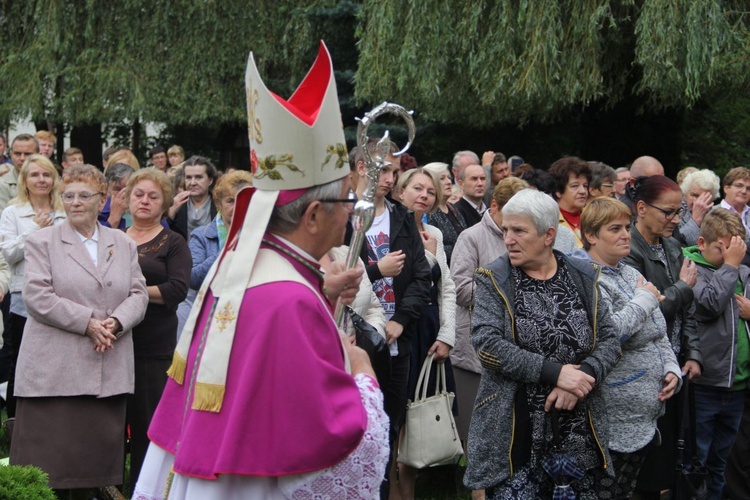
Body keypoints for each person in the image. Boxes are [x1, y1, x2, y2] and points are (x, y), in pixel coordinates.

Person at [134, 42, 389, 498]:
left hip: (219, 466)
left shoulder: (246, 266)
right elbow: (331, 431)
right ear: (312, 216)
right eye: (346, 201)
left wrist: (326, 295)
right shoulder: (287, 298)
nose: (352, 212)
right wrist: (363, 371)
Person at [464, 189, 621, 498]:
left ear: (549, 234)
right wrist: (555, 373)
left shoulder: (582, 276)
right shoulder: (493, 278)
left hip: (579, 430)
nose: (508, 239)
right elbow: (487, 345)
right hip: (516, 432)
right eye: (506, 230)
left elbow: (610, 339)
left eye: (519, 231)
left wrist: (582, 376)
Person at [9, 164, 148, 497]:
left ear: (102, 199)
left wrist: (115, 322)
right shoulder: (42, 241)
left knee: (93, 468)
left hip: (106, 364)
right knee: (48, 470)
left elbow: (138, 293)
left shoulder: (122, 242)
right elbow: (37, 296)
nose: (74, 202)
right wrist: (87, 323)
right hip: (54, 369)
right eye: (68, 195)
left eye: (84, 195)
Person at [575, 197, 682, 498]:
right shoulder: (585, 277)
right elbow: (611, 332)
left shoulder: (631, 273)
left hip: (646, 416)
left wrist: (672, 368)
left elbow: (659, 332)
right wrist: (646, 299)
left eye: (626, 226)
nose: (625, 234)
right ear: (592, 235)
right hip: (613, 416)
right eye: (615, 229)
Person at [351, 137, 431, 497]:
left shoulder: (400, 216)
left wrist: (400, 319)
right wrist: (375, 269)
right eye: (384, 169)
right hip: (355, 342)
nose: (390, 178)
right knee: (354, 429)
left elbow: (421, 277)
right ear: (362, 167)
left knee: (389, 426)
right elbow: (332, 277)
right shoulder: (344, 214)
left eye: (394, 171)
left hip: (398, 342)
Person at [621, 175, 702, 498]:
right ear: (641, 208)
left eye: (679, 211)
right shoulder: (628, 250)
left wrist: (693, 352)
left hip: (677, 360)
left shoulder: (673, 244)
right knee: (649, 460)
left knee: (674, 453)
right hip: (644, 366)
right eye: (668, 212)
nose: (675, 219)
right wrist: (682, 288)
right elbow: (644, 313)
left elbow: (687, 309)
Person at [450, 176, 528, 500]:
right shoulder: (472, 238)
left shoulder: (529, 238)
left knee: (508, 436)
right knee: (478, 439)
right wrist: (504, 292)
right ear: (495, 207)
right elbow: (460, 288)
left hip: (516, 353)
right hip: (474, 356)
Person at [124, 168, 191, 491]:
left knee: (145, 425)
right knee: (110, 423)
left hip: (152, 348)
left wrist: (133, 291)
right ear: (128, 199)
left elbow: (177, 289)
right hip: (112, 343)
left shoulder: (173, 242)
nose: (145, 201)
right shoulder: (113, 238)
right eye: (139, 194)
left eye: (153, 196)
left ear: (165, 203)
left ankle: (144, 490)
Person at [394, 167, 457, 499]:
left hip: (430, 331)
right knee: (399, 418)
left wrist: (447, 335)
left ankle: (411, 489)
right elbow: (404, 281)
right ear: (401, 192)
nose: (423, 195)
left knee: (422, 417)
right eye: (417, 188)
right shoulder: (390, 231)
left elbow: (447, 288)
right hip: (403, 328)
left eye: (430, 192)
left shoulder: (435, 234)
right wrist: (429, 259)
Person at [683, 208, 750, 499]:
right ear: (701, 243)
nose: (727, 256)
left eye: (733, 249)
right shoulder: (691, 270)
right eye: (720, 249)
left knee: (720, 464)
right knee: (696, 462)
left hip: (737, 384)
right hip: (706, 383)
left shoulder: (744, 273)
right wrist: (731, 267)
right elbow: (709, 305)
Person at [0, 154, 67, 425]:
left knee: (58, 361)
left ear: (54, 179)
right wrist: (35, 232)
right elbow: (8, 253)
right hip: (24, 298)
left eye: (46, 174)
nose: (41, 180)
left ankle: (54, 421)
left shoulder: (65, 211)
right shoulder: (12, 212)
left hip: (63, 295)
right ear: (25, 181)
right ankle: (17, 425)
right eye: (35, 175)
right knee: (21, 363)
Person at [179, 170, 253, 338]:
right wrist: (227, 250)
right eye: (230, 201)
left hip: (250, 314)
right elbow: (193, 278)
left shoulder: (262, 236)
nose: (238, 207)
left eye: (245, 201)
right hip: (212, 319)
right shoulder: (201, 235)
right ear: (218, 204)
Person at [423, 161, 466, 264]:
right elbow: (434, 248)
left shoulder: (453, 208)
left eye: (448, 177)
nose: (448, 182)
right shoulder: (428, 212)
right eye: (442, 178)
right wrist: (462, 251)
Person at [168, 155, 218, 241]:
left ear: (210, 180)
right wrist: (170, 214)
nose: (192, 183)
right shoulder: (176, 204)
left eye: (198, 177)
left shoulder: (219, 204)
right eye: (188, 177)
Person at [549, 156, 591, 248]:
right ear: (558, 191)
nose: (583, 191)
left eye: (585, 186)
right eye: (575, 186)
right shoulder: (548, 220)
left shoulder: (594, 217)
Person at [676, 168, 719, 247]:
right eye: (694, 195)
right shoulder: (675, 212)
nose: (699, 202)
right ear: (685, 195)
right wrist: (695, 220)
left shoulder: (717, 215)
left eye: (705, 197)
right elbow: (675, 242)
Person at [0, 134, 39, 212]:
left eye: (28, 154)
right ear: (11, 154)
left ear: (38, 155)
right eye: (17, 154)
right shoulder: (2, 183)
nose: (22, 158)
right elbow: (4, 220)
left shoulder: (50, 180)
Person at [99, 163, 134, 230]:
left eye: (127, 188)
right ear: (107, 189)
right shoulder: (99, 211)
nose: (123, 193)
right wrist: (114, 217)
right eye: (117, 189)